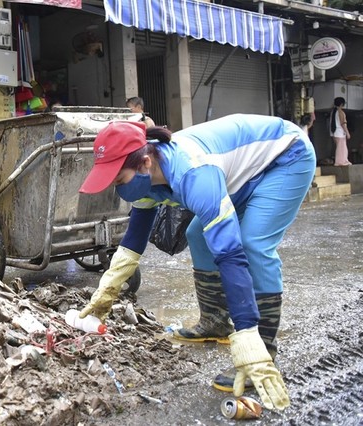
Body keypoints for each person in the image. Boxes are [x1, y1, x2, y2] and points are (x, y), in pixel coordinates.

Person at [77, 114, 316, 411]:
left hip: (286, 157)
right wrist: (107, 289)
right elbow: (135, 236)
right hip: (243, 169)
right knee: (199, 234)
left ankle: (261, 351)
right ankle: (215, 322)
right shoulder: (148, 178)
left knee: (253, 243)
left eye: (119, 179)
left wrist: (245, 331)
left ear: (145, 163)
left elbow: (229, 254)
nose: (119, 189)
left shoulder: (193, 173)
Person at [329, 97, 352, 166]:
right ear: (342, 104)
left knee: (339, 147)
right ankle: (341, 161)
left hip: (334, 133)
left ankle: (341, 161)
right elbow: (343, 123)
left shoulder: (333, 112)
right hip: (340, 133)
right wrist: (347, 133)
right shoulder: (340, 112)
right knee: (342, 148)